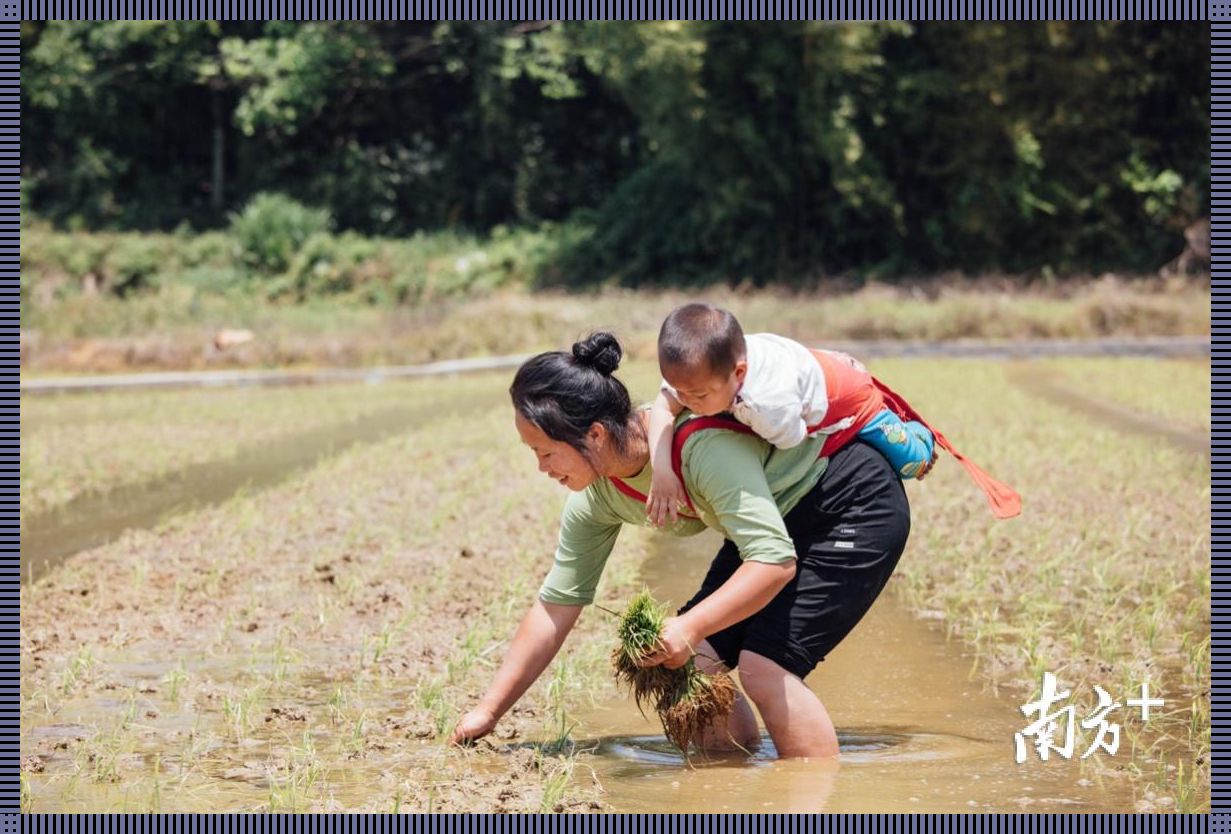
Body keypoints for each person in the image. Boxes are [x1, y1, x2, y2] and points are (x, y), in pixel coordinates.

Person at [450, 332, 913, 758]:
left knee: (764, 668)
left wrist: (688, 626)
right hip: (779, 516)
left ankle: (816, 801)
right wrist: (488, 712)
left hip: (850, 501)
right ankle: (734, 779)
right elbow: (556, 606)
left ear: (594, 434)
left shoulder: (700, 448)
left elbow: (772, 563)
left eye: (545, 451)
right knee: (689, 661)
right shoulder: (598, 496)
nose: (541, 468)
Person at [645, 303, 936, 527]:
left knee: (913, 462)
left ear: (739, 373)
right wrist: (662, 470)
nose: (687, 402)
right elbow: (662, 407)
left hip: (848, 396)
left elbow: (792, 440)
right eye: (682, 392)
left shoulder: (767, 405)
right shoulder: (701, 368)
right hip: (803, 363)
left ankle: (922, 437)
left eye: (700, 396)